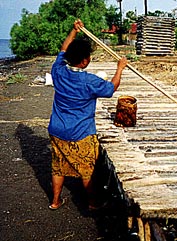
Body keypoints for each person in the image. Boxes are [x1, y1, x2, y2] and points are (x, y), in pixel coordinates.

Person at [48, 19, 128, 210]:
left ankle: (55, 201)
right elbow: (111, 88)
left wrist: (74, 31)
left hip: (57, 129)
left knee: (58, 166)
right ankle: (93, 203)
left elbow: (63, 48)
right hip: (80, 133)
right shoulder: (88, 81)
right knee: (87, 170)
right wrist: (120, 68)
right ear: (85, 61)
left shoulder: (58, 71)